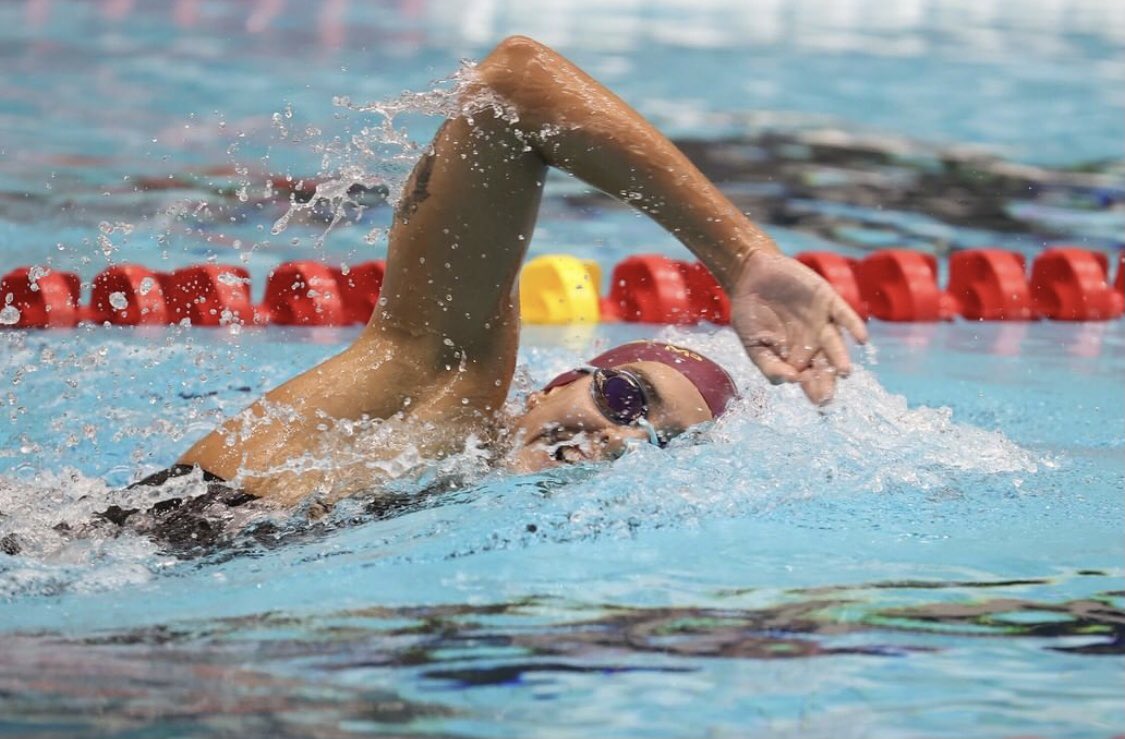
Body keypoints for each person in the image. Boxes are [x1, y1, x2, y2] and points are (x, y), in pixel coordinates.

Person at [166, 36, 867, 509]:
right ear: (555, 384)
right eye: (627, 400)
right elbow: (514, 85)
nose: (622, 440)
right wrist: (741, 257)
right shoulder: (439, 386)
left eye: (658, 445)